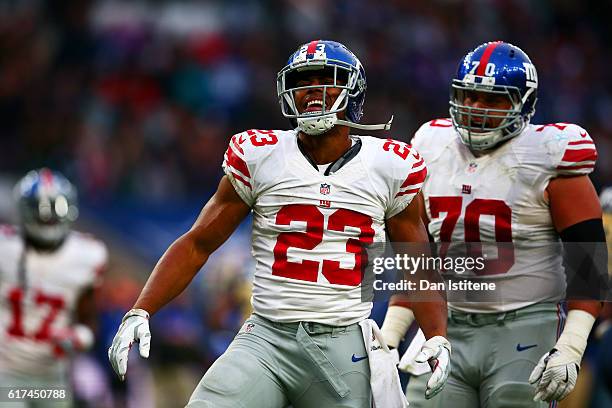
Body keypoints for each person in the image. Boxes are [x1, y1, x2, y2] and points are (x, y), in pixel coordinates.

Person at [108, 39, 451, 408]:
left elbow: (416, 262)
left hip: (344, 341)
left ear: (353, 90)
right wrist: (141, 309)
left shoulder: (391, 165)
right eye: (304, 82)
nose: (312, 92)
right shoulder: (261, 155)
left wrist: (437, 335)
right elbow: (198, 243)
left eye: (327, 79)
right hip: (266, 337)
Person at [381, 41, 608, 407]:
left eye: (493, 100)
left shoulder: (550, 155)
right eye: (469, 96)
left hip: (523, 325)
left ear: (524, 104)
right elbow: (420, 259)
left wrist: (572, 343)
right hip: (445, 323)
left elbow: (589, 265)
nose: (476, 109)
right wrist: (391, 336)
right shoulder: (431, 145)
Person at [0, 168, 107, 406]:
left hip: (52, 376)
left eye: (53, 211)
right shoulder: (5, 248)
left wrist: (81, 336)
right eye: (41, 211)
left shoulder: (86, 255)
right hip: (6, 373)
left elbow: (89, 316)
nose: (47, 218)